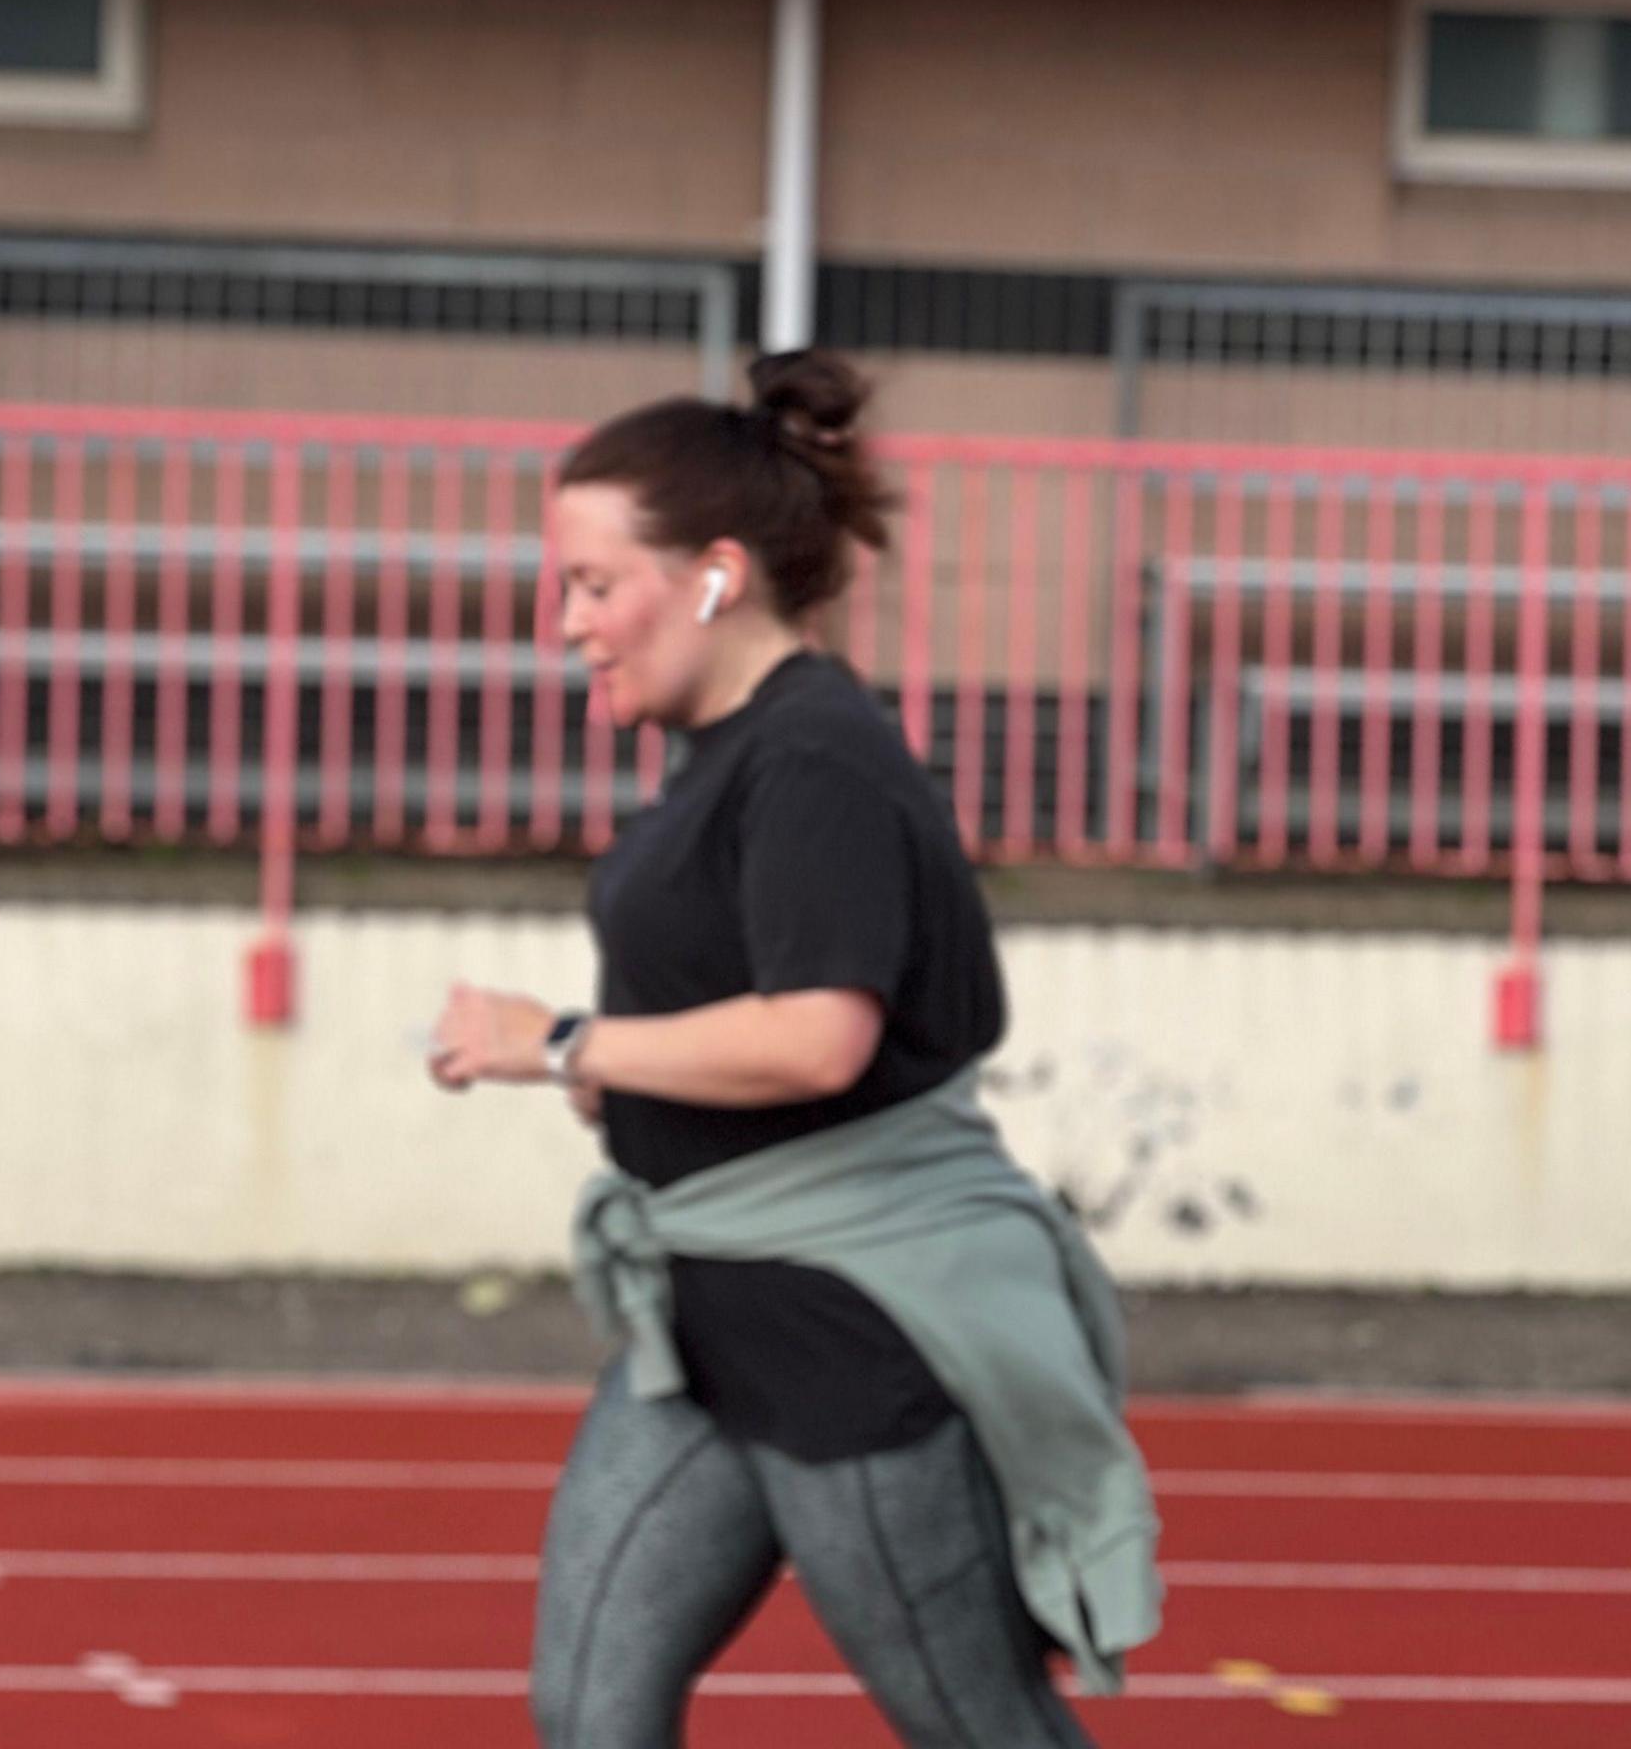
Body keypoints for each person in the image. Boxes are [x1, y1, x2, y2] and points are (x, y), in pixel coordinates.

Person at [424, 351, 1159, 1749]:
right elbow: (751, 1027)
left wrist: (560, 1040)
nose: (566, 622)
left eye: (593, 584)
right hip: (707, 1313)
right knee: (591, 1709)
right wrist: (615, 1082)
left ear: (713, 574)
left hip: (849, 1328)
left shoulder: (814, 755)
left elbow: (823, 1037)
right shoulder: (729, 751)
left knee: (977, 1725)